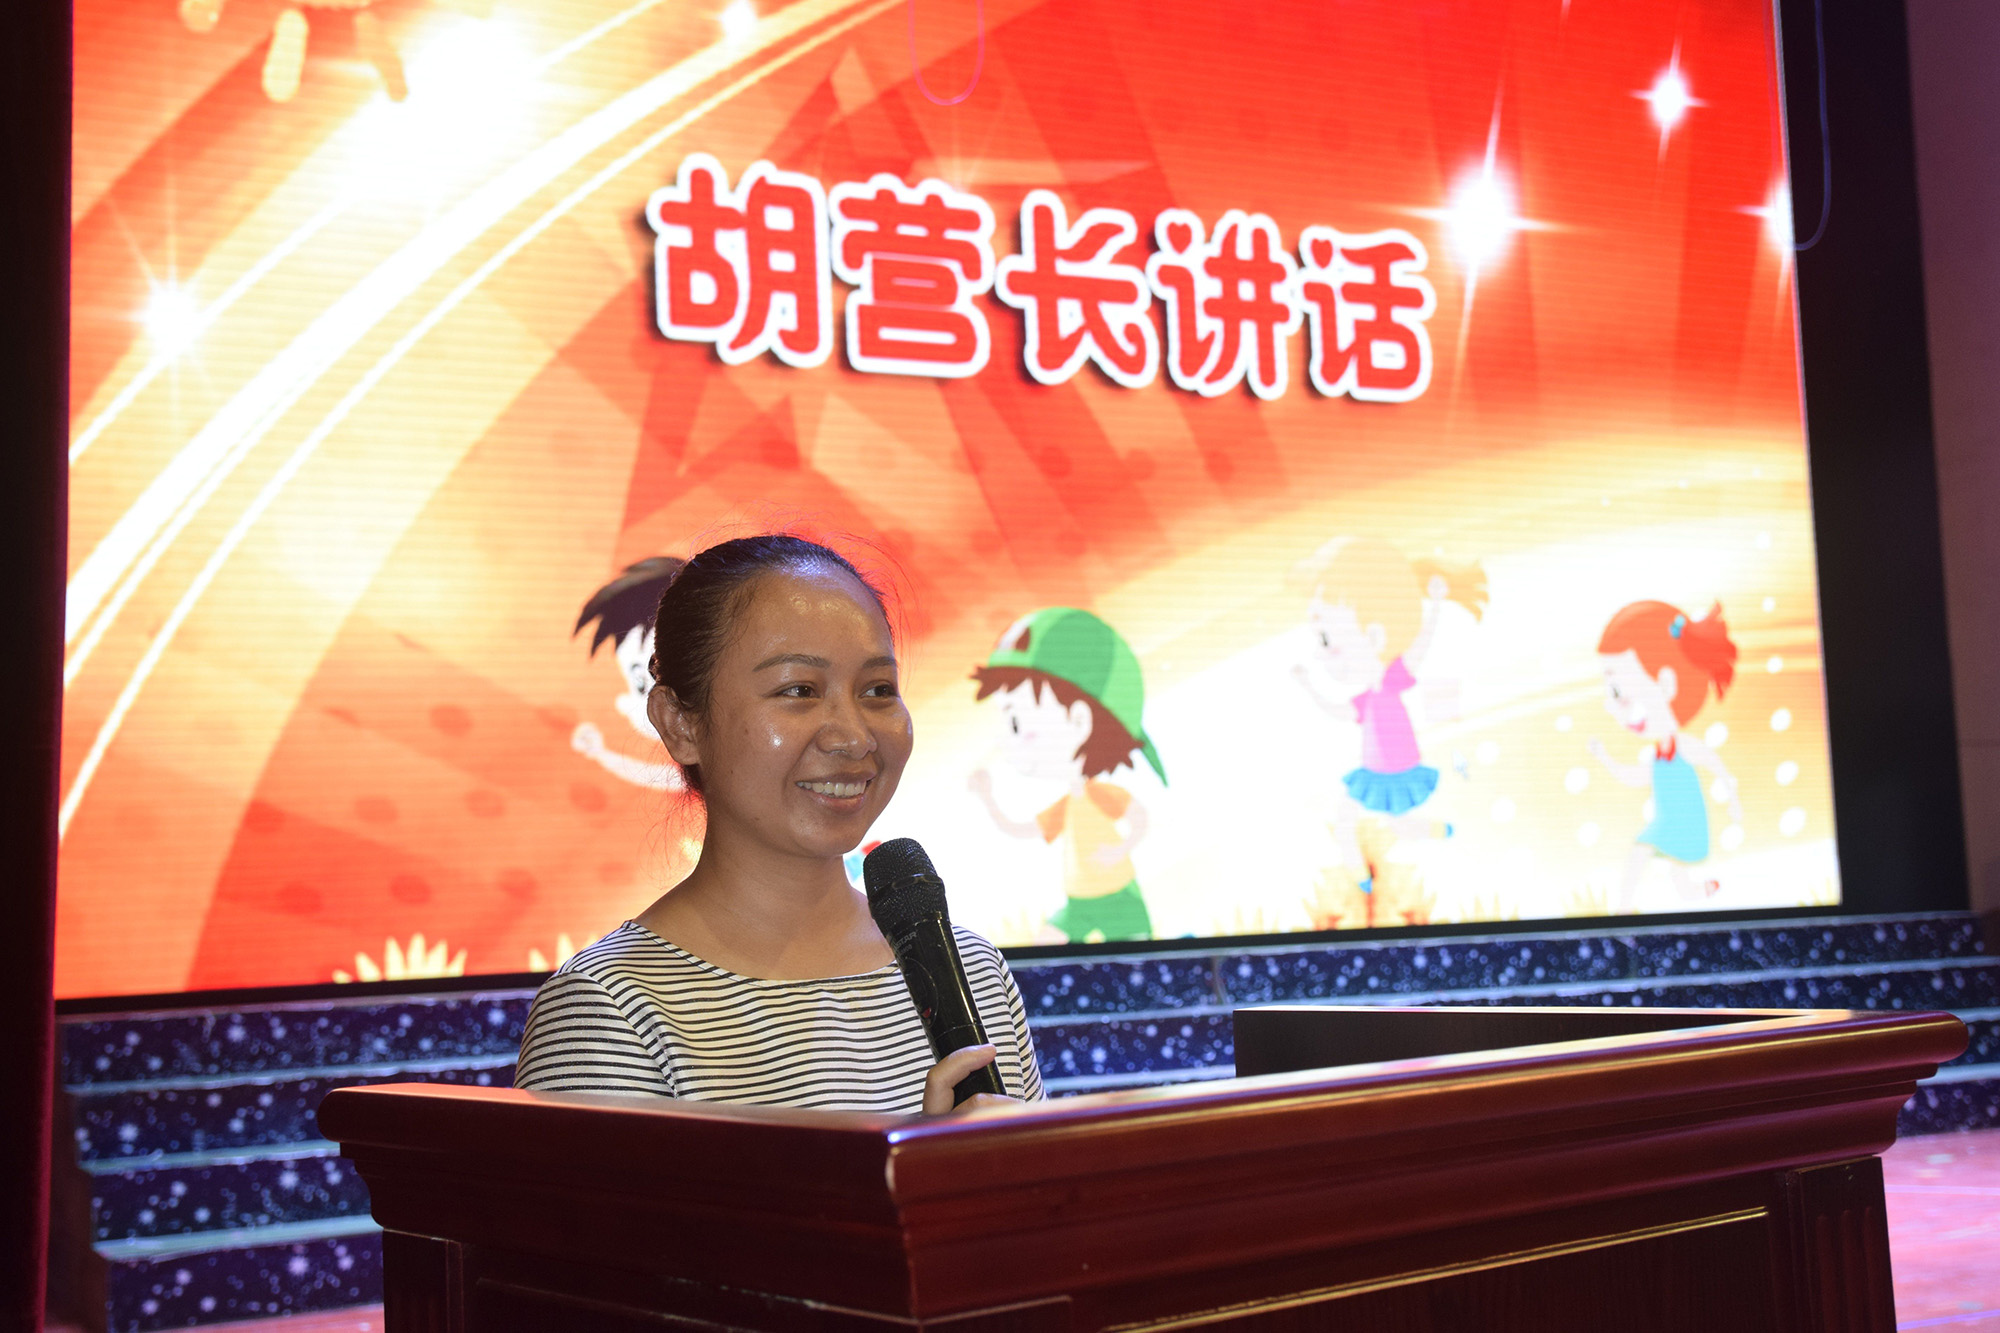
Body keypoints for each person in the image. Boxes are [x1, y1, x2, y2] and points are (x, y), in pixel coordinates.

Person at [515, 535, 1042, 1115]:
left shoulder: (974, 971)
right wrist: (915, 1160)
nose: (853, 738)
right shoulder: (608, 1011)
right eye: (799, 691)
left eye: (877, 690)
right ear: (681, 724)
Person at [967, 608, 1165, 943]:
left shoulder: (1102, 794)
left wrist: (1120, 851)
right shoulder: (1067, 805)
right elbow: (1020, 829)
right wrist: (987, 797)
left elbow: (1139, 818)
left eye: (1017, 724)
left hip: (1119, 898)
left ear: (1079, 720)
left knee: (1139, 958)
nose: (1007, 742)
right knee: (1045, 947)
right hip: (1079, 902)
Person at [1588, 599, 1743, 910]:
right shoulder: (1658, 754)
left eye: (1618, 692)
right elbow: (1634, 777)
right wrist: (1604, 758)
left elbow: (1716, 763)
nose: (1613, 707)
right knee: (1669, 873)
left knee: (1644, 854)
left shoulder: (1682, 747)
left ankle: (1623, 911)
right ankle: (1688, 895)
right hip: (1668, 824)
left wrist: (1733, 800)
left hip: (1685, 825)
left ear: (1666, 684)